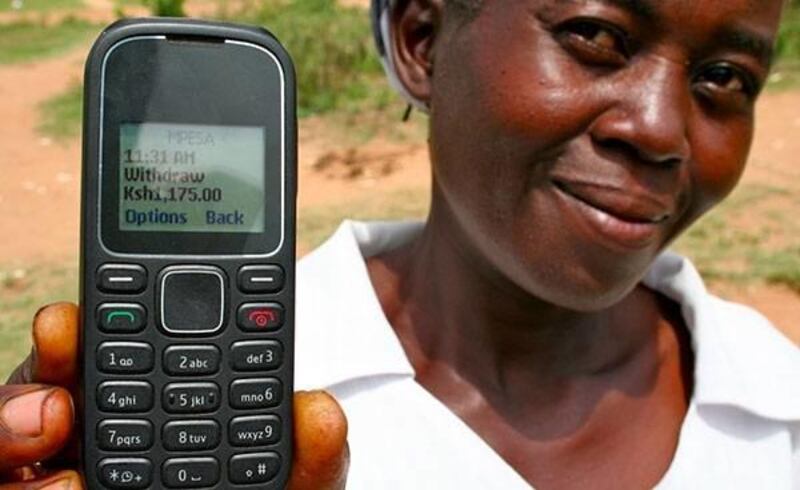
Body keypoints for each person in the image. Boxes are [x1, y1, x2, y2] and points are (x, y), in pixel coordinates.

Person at [2, 0, 798, 488]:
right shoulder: (285, 377)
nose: (659, 129)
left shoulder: (779, 404)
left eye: (725, 79)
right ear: (422, 39)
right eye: (594, 34)